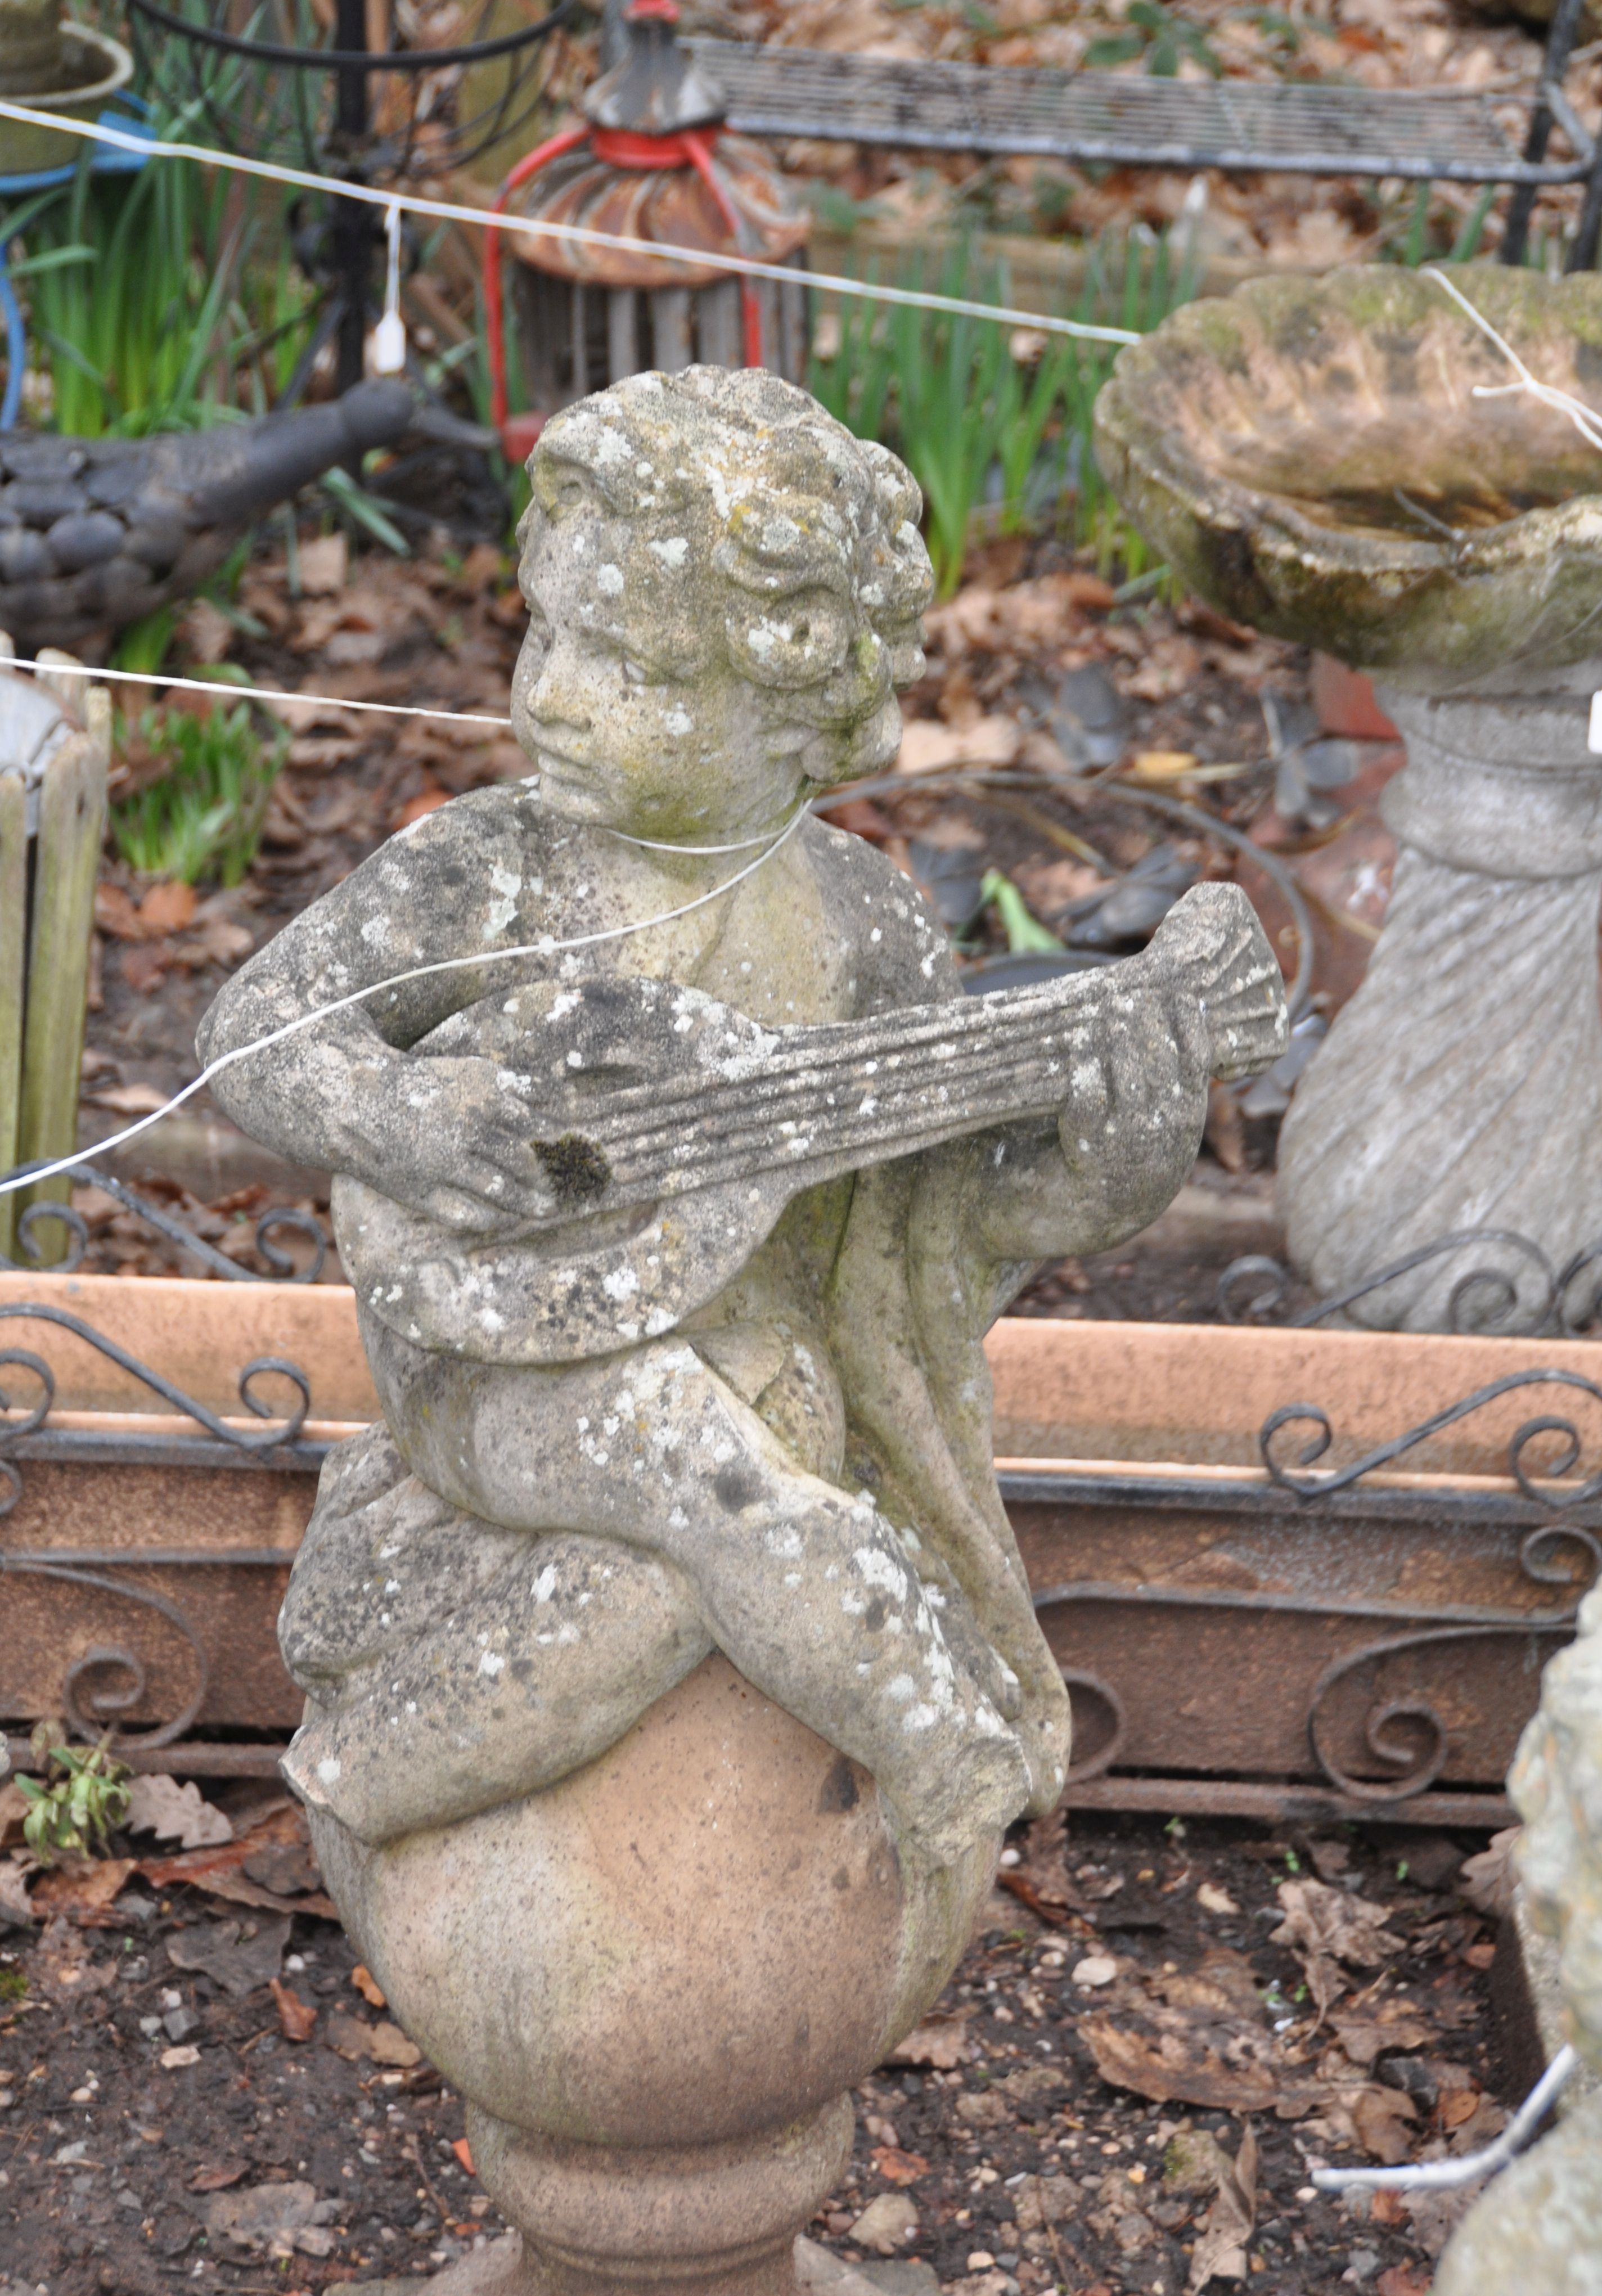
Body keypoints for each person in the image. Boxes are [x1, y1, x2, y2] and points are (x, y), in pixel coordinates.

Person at [200, 367, 1214, 1871]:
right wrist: (409, 1116)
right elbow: (246, 1037)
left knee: (682, 1559)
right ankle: (940, 1741)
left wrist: (1118, 1168)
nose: (557, 696)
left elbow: (938, 1218)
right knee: (708, 1481)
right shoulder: (497, 872)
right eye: (550, 632)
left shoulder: (866, 931)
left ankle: (371, 1769)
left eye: (639, 673)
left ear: (802, 712)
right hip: (497, 1358)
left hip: (768, 1359)